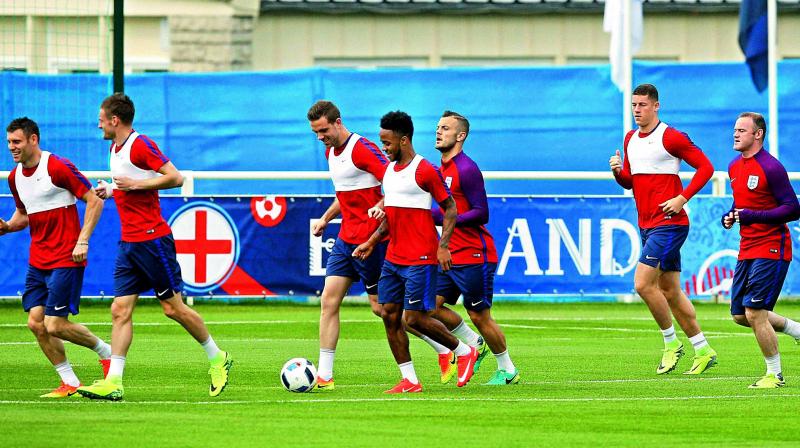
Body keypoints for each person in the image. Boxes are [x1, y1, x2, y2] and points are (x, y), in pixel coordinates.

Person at [76, 93, 232, 401]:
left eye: (100, 120)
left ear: (114, 120)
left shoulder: (141, 144)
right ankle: (114, 382)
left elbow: (175, 177)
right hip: (129, 243)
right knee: (120, 309)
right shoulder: (115, 148)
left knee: (172, 308)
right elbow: (126, 180)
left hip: (152, 239)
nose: (98, 125)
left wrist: (137, 186)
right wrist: (110, 188)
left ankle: (218, 357)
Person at [307, 100, 456, 388]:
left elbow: (394, 181)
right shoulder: (330, 152)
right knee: (329, 300)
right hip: (345, 239)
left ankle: (446, 349)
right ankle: (325, 375)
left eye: (323, 130)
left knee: (385, 310)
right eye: (315, 132)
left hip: (372, 239)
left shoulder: (362, 149)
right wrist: (326, 218)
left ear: (338, 122)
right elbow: (346, 193)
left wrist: (380, 206)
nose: (320, 137)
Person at [354, 111, 478, 393]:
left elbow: (451, 209)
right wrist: (372, 242)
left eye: (387, 143)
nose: (383, 148)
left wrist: (443, 245)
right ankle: (410, 379)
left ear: (404, 140)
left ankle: (463, 351)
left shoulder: (425, 170)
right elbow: (392, 216)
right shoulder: (388, 172)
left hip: (420, 258)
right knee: (388, 314)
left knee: (414, 318)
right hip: (393, 258)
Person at [609, 83, 718, 375]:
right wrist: (619, 172)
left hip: (670, 224)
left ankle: (671, 343)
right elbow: (631, 182)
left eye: (642, 105)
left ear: (656, 106)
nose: (637, 110)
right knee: (670, 290)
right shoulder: (631, 137)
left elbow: (706, 168)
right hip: (647, 223)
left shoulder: (671, 136)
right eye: (634, 105)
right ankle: (703, 349)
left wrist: (682, 198)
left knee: (643, 285)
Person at [1, 117, 110, 398]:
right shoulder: (14, 177)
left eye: (17, 141)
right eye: (9, 141)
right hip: (38, 259)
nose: (11, 147)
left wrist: (82, 240)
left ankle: (106, 351)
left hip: (66, 256)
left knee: (55, 324)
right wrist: (7, 227)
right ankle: (70, 382)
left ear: (33, 139)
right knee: (36, 323)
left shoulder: (57, 166)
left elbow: (94, 200)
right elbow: (23, 215)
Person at [430, 110, 519, 385]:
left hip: (473, 254)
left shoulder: (466, 169)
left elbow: (482, 213)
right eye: (438, 127)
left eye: (445, 128)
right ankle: (472, 343)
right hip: (448, 252)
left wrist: (445, 218)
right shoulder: (440, 169)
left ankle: (508, 369)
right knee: (427, 308)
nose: (438, 131)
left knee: (479, 314)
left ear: (460, 135)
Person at [722, 112, 800, 388]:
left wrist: (752, 215)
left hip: (772, 247)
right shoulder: (734, 166)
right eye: (735, 129)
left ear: (758, 134)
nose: (735, 134)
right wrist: (730, 216)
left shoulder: (771, 167)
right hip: (747, 247)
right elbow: (742, 205)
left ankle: (774, 374)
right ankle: (796, 330)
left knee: (755, 312)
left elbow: (793, 208)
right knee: (741, 315)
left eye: (742, 130)